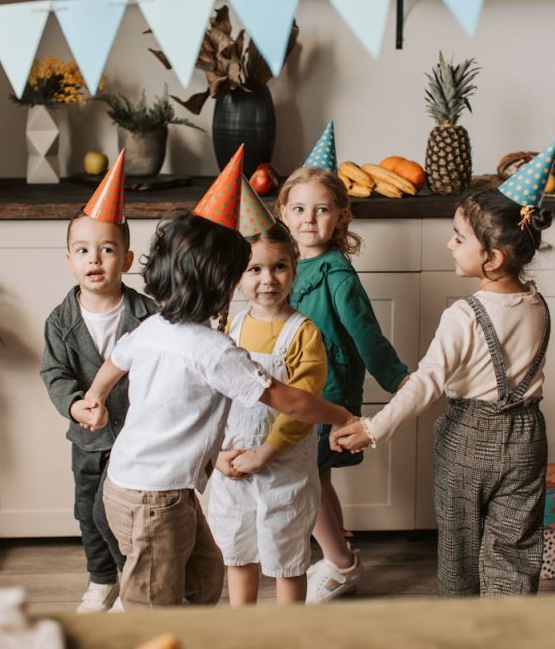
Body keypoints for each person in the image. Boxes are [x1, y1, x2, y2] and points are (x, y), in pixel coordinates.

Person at [80, 148, 352, 610]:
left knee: (206, 574)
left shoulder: (151, 327)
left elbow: (114, 362)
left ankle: (193, 625)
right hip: (153, 500)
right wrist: (341, 414)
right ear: (222, 286)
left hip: (136, 486)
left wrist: (96, 395)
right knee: (155, 600)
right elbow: (290, 401)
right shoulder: (215, 349)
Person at [332, 138, 555, 597]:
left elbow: (426, 383)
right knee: (515, 549)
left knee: (460, 549)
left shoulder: (464, 315)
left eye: (459, 238)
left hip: (468, 438)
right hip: (528, 437)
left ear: (492, 257)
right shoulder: (537, 303)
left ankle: (461, 623)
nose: (449, 244)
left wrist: (373, 429)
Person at [278, 121, 410, 604]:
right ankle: (338, 552)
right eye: (299, 208)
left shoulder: (336, 274)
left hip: (326, 392)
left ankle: (340, 564)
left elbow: (366, 333)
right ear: (283, 212)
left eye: (321, 209)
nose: (308, 219)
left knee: (301, 480)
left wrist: (401, 381)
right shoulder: (287, 265)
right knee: (315, 478)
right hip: (294, 390)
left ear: (341, 216)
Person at [39, 153, 156, 613]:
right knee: (88, 513)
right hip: (88, 439)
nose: (95, 259)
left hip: (138, 437)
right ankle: (102, 579)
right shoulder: (61, 321)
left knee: (126, 515)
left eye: (107, 249)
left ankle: (134, 582)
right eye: (83, 250)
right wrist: (75, 405)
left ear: (126, 260)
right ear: (69, 260)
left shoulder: (148, 315)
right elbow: (55, 372)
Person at [208, 216, 327, 607]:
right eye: (254, 269)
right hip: (233, 464)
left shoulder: (303, 333)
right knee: (238, 552)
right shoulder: (227, 329)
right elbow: (212, 397)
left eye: (278, 267)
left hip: (284, 466)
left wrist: (266, 453)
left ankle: (287, 631)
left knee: (286, 558)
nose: (268, 279)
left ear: (294, 268)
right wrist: (216, 455)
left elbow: (302, 406)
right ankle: (244, 626)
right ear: (237, 276)